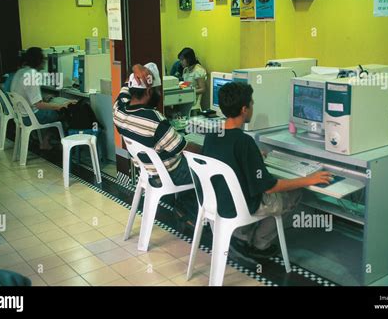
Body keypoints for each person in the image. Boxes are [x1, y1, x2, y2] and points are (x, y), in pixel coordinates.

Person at [202, 82, 332, 259]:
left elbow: (230, 160)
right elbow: (269, 187)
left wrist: (254, 157)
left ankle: (241, 236)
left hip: (219, 204)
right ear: (244, 109)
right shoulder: (244, 142)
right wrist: (309, 179)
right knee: (294, 193)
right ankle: (260, 244)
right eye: (252, 103)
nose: (253, 106)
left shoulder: (212, 135)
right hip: (241, 207)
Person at [113, 63, 201, 223]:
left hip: (148, 172)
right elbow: (184, 148)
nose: (159, 94)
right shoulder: (154, 119)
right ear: (148, 91)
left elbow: (127, 83)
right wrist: (208, 148)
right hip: (170, 175)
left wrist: (136, 67)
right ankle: (195, 215)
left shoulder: (119, 109)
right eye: (158, 90)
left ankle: (183, 207)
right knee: (205, 166)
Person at [10, 47, 75, 150]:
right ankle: (51, 143)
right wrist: (61, 105)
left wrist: (44, 98)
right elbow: (39, 105)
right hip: (30, 117)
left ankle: (46, 141)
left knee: (55, 107)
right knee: (63, 112)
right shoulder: (32, 74)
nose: (45, 62)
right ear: (38, 61)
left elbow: (29, 95)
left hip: (20, 116)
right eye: (43, 59)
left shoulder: (21, 72)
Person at [178, 48, 207, 112]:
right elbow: (187, 83)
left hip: (194, 103)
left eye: (182, 60)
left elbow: (203, 89)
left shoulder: (198, 70)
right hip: (185, 100)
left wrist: (189, 91)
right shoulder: (186, 70)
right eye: (180, 60)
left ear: (189, 59)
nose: (180, 62)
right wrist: (178, 87)